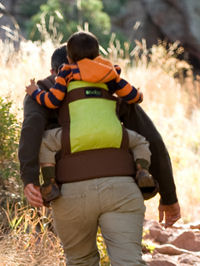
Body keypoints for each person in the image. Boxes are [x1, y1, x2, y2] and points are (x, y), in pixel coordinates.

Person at [19, 43, 181, 264]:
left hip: (69, 193)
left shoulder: (43, 91)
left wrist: (29, 179)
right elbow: (152, 140)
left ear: (53, 71)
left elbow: (31, 129)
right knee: (129, 262)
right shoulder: (111, 86)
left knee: (80, 260)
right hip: (121, 189)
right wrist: (169, 197)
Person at [25, 31, 155, 204]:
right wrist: (138, 94)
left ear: (69, 59)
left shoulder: (65, 74)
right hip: (113, 137)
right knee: (140, 142)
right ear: (98, 56)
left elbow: (52, 101)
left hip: (74, 138)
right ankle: (142, 171)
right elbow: (134, 97)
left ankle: (49, 182)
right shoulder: (111, 74)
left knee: (46, 143)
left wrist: (36, 92)